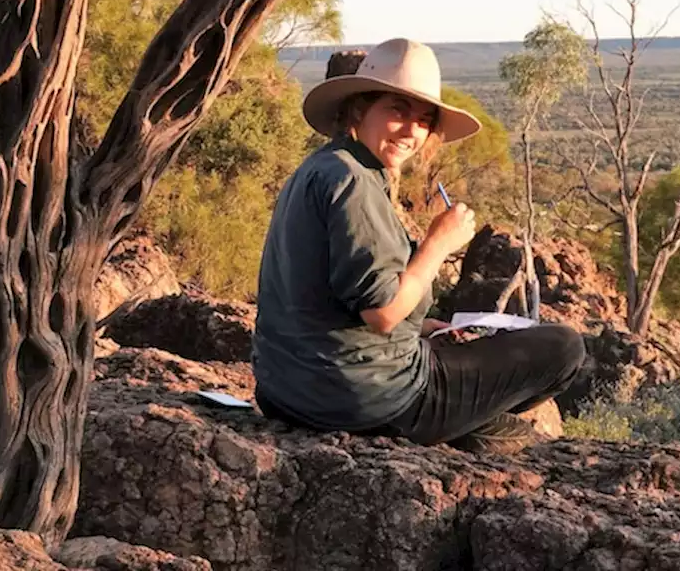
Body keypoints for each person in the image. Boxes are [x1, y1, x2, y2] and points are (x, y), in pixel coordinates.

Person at [251, 37, 586, 454]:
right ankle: (448, 426)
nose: (412, 129)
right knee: (564, 347)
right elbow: (382, 314)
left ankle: (464, 424)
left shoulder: (325, 167)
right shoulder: (352, 181)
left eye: (424, 119)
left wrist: (427, 328)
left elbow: (331, 298)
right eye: (397, 110)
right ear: (359, 108)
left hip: (287, 391)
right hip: (364, 396)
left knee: (489, 407)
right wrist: (438, 242)